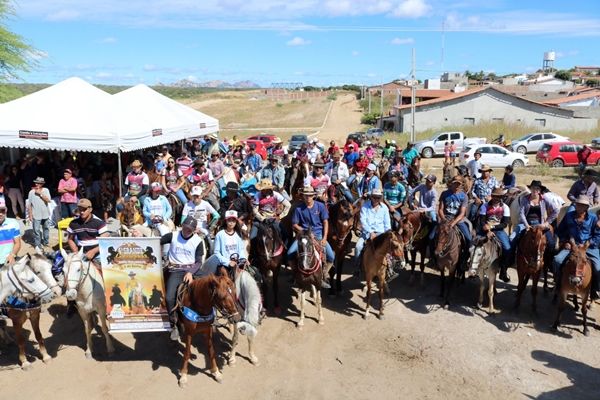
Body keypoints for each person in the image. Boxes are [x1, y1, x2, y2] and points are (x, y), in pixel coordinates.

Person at [159, 216, 206, 341]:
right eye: (186, 227)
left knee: (211, 287)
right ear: (182, 225)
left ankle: (211, 316)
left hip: (192, 269)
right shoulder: (172, 235)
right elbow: (157, 241)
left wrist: (190, 272)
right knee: (169, 297)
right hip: (176, 270)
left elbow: (199, 261)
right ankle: (173, 323)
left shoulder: (197, 240)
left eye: (190, 229)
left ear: (194, 230)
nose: (187, 230)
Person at [553, 195, 600, 300]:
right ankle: (558, 283)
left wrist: (588, 244)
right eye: (578, 204)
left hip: (589, 247)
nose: (579, 207)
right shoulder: (569, 216)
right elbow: (560, 230)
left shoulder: (593, 218)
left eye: (582, 205)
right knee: (557, 260)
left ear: (587, 207)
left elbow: (598, 235)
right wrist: (565, 241)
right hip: (572, 246)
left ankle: (594, 290)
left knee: (598, 267)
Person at [287, 186, 333, 289]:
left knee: (331, 256)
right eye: (306, 195)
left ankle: (324, 275)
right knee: (290, 253)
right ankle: (295, 274)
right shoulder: (298, 208)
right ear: (303, 196)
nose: (308, 197)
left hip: (318, 234)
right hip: (303, 235)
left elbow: (325, 222)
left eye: (310, 195)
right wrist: (304, 232)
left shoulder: (320, 206)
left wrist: (325, 237)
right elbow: (294, 224)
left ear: (313, 196)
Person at [510, 180, 557, 279]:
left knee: (552, 243)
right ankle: (510, 260)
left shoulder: (544, 199)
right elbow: (522, 213)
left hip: (540, 224)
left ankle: (548, 263)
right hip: (526, 223)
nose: (535, 190)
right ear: (530, 189)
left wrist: (546, 223)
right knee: (512, 238)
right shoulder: (525, 199)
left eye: (537, 188)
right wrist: (526, 225)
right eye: (533, 188)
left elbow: (555, 211)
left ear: (540, 190)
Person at [355, 188, 397, 280]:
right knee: (358, 247)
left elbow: (387, 223)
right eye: (374, 197)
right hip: (367, 233)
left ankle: (390, 269)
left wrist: (388, 233)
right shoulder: (365, 207)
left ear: (380, 198)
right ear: (371, 197)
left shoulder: (385, 208)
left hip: (381, 233)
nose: (376, 199)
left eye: (378, 197)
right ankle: (358, 267)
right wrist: (370, 232)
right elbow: (363, 221)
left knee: (391, 247)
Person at [475, 188, 512, 281]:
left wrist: (492, 228)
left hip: (498, 230)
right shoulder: (485, 206)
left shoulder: (505, 207)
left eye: (499, 196)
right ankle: (472, 267)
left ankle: (503, 270)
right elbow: (482, 220)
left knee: (507, 248)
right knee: (474, 244)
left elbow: (505, 223)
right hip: (485, 229)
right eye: (495, 196)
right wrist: (487, 230)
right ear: (492, 196)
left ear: (501, 197)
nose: (496, 198)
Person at [438, 175, 472, 271]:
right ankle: (434, 257)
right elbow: (440, 209)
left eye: (459, 184)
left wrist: (453, 223)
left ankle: (465, 259)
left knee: (468, 238)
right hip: (446, 218)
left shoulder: (464, 196)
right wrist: (444, 220)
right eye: (455, 184)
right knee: (432, 236)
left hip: (458, 220)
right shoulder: (445, 194)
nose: (456, 186)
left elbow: (462, 213)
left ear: (461, 185)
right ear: (451, 183)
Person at [202, 210, 248, 275]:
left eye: (233, 221)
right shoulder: (220, 235)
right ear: (226, 221)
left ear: (236, 222)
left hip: (238, 263)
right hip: (224, 264)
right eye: (229, 220)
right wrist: (228, 262)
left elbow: (241, 250)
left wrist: (243, 259)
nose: (231, 223)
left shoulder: (238, 234)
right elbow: (217, 253)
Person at [408, 174, 438, 239]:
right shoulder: (422, 186)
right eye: (426, 180)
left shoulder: (434, 193)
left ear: (433, 183)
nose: (427, 182)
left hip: (429, 210)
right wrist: (412, 204)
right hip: (419, 208)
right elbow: (410, 192)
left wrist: (424, 210)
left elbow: (433, 207)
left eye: (429, 181)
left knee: (434, 219)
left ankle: (432, 236)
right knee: (408, 217)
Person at [27, 177, 52, 251]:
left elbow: (48, 200)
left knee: (46, 228)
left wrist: (40, 194)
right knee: (36, 230)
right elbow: (29, 205)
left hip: (45, 213)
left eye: (38, 183)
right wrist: (30, 215)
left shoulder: (46, 190)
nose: (36, 184)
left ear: (42, 184)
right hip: (36, 214)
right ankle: (38, 245)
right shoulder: (31, 192)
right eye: (36, 182)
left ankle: (46, 242)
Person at [0, 197, 21, 267]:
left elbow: (17, 243)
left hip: (9, 261)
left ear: (6, 211)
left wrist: (12, 255)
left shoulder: (13, 223)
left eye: (2, 211)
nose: (0, 214)